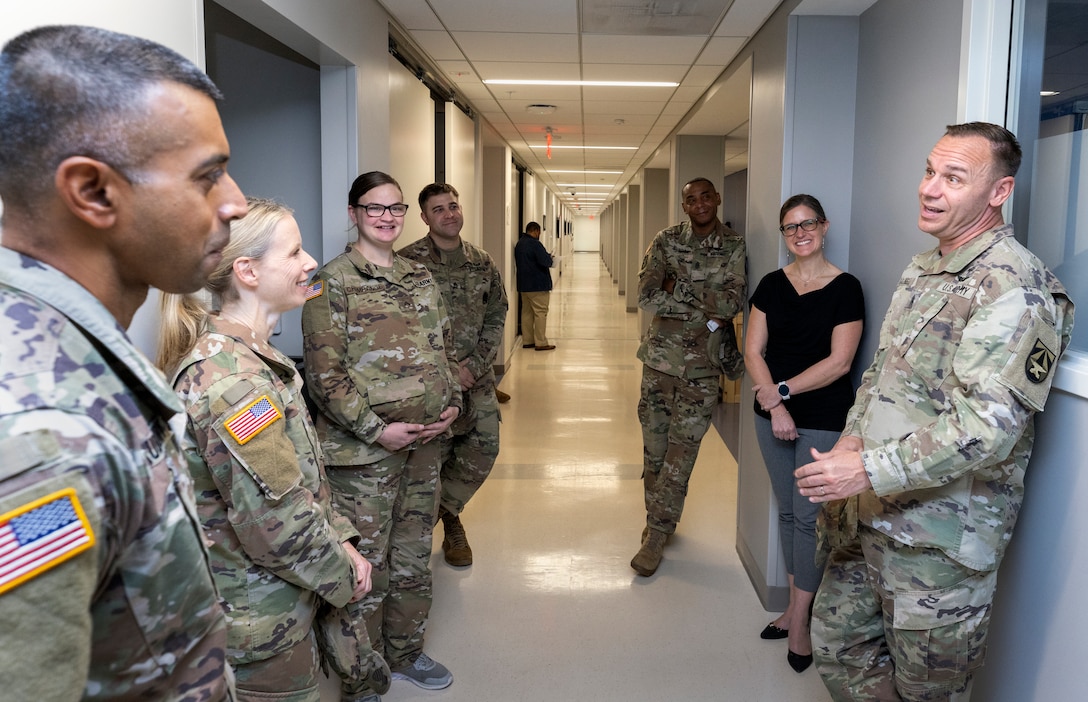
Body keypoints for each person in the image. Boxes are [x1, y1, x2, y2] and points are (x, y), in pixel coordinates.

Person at [0, 24, 248, 701]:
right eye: (207, 177)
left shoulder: (74, 355)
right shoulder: (41, 440)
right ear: (94, 192)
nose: (235, 202)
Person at [795, 122, 1074, 701]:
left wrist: (867, 469)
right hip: (870, 514)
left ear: (998, 192)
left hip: (939, 540)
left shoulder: (1015, 287)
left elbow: (989, 427)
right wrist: (851, 442)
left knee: (930, 691)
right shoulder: (925, 268)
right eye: (929, 171)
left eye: (953, 178)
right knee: (839, 648)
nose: (930, 188)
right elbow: (881, 377)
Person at [157, 198, 390, 701]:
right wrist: (344, 575)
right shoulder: (236, 383)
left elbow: (299, 482)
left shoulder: (255, 357)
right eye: (295, 252)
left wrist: (342, 538)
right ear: (247, 271)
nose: (311, 263)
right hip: (258, 620)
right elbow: (275, 523)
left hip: (280, 599)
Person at [302, 171, 461, 700]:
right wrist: (377, 429)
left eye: (395, 208)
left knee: (414, 553)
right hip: (363, 453)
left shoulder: (420, 278)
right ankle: (361, 675)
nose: (387, 217)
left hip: (424, 446)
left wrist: (452, 405)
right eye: (375, 208)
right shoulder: (332, 282)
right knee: (366, 562)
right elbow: (325, 377)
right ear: (354, 214)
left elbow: (441, 351)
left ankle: (406, 652)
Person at [744, 194, 864, 674]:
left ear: (824, 226)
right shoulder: (772, 285)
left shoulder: (846, 287)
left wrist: (782, 394)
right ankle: (797, 608)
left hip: (823, 416)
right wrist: (773, 404)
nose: (800, 233)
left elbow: (840, 363)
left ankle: (799, 623)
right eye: (790, 227)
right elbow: (753, 350)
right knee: (790, 511)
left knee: (811, 519)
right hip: (771, 414)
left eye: (808, 223)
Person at [632, 176, 746, 576]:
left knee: (682, 455)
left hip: (704, 369)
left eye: (705, 197)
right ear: (684, 206)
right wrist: (702, 308)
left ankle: (657, 534)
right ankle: (656, 517)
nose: (699, 204)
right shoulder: (665, 240)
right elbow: (647, 294)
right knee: (655, 452)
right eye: (691, 200)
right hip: (659, 363)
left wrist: (678, 289)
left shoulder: (733, 245)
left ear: (717, 199)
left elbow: (732, 302)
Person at [398, 183, 508, 567]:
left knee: (484, 446)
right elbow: (400, 329)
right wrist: (447, 371)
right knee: (433, 456)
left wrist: (475, 365)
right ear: (425, 218)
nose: (449, 214)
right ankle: (437, 531)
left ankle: (447, 511)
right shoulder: (406, 264)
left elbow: (496, 314)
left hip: (475, 378)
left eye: (454, 206)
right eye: (439, 209)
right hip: (430, 383)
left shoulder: (482, 262)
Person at [514, 221, 556, 351]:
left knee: (526, 313)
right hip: (538, 285)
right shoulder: (535, 244)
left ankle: (528, 340)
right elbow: (546, 262)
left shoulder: (519, 244)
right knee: (540, 313)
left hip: (524, 285)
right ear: (536, 231)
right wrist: (550, 257)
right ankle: (541, 342)